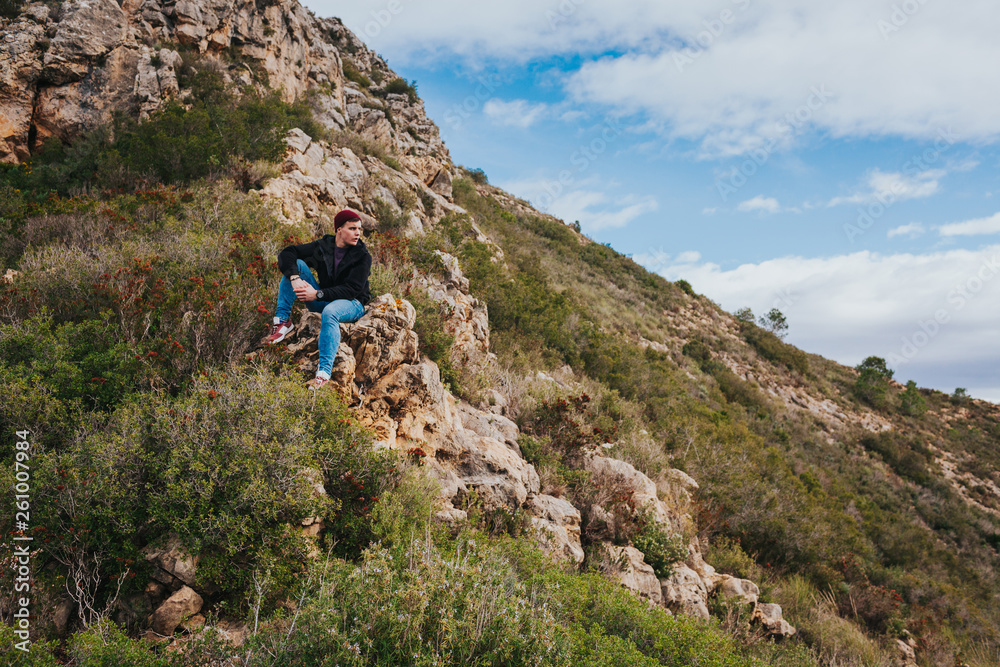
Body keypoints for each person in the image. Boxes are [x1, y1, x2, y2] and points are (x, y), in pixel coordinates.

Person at [267, 209, 372, 390]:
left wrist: (317, 294)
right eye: (352, 228)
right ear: (339, 229)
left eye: (359, 229)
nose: (358, 233)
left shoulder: (362, 256)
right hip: (324, 299)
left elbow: (351, 289)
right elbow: (288, 253)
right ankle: (283, 321)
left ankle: (323, 372)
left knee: (330, 312)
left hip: (352, 303)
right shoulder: (323, 247)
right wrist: (295, 278)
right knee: (296, 266)